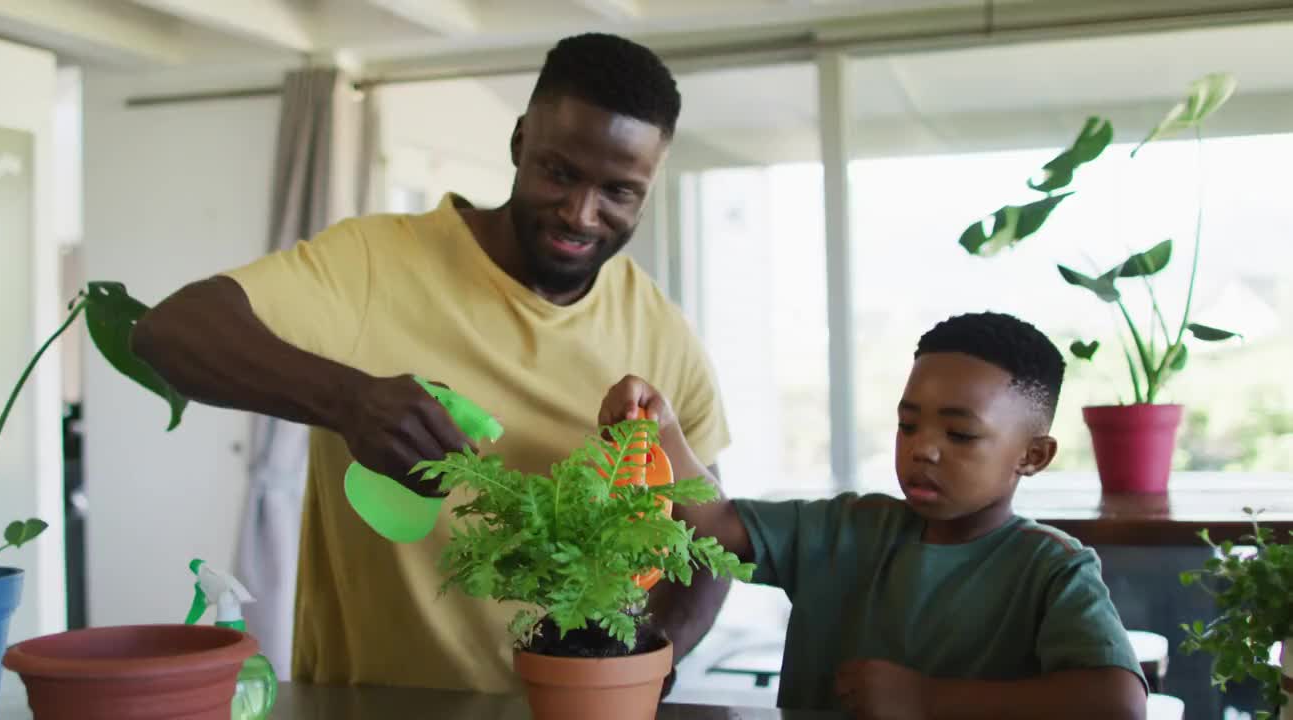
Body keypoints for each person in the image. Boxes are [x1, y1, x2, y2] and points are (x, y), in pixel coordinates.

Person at [131, 33, 732, 693]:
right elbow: (171, 331)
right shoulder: (373, 263)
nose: (580, 213)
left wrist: (651, 663)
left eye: (618, 191)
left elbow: (714, 541)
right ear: (518, 143)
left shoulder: (661, 333)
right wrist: (349, 402)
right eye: (559, 172)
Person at [598, 311, 1148, 719]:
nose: (923, 448)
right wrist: (662, 427)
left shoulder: (1051, 567)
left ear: (1033, 456)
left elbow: (1117, 702)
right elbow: (716, 525)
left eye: (959, 433)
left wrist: (927, 700)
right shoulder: (847, 527)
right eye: (908, 425)